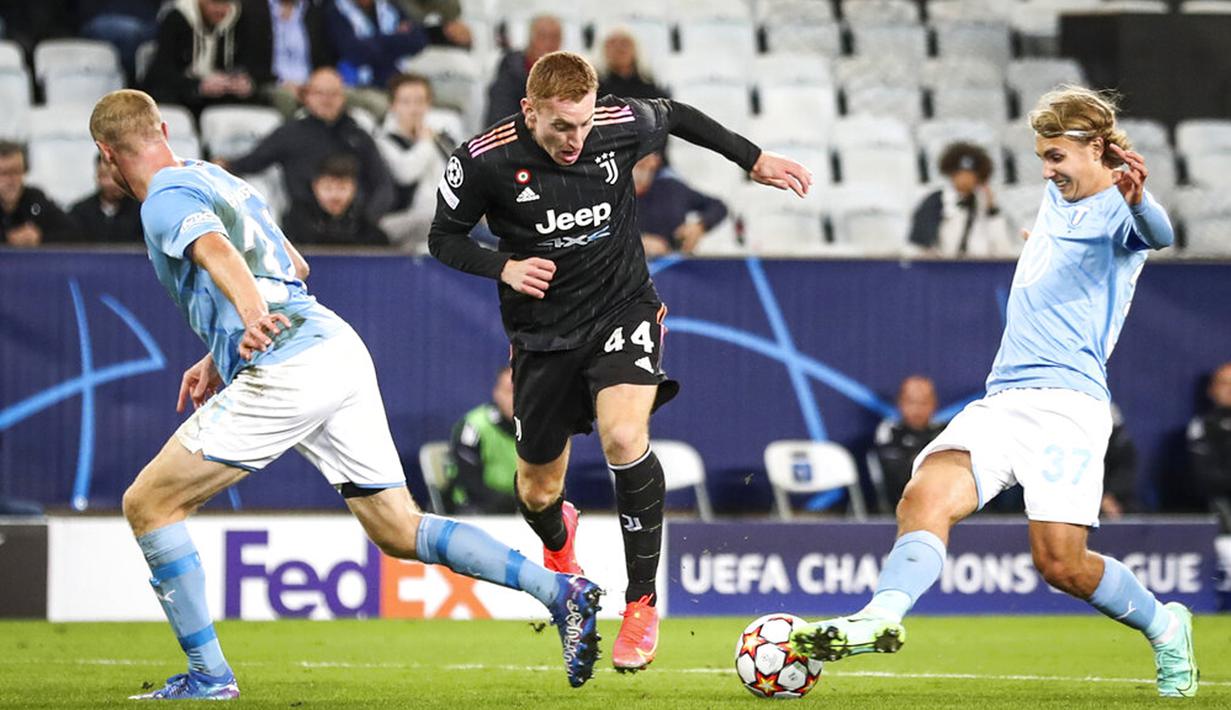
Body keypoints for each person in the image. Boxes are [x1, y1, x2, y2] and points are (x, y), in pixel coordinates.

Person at [88, 88, 603, 699]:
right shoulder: (213, 178)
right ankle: (561, 591)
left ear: (105, 153)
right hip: (336, 347)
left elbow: (217, 251)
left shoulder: (164, 199)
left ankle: (209, 676)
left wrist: (249, 318)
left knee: (148, 505)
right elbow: (295, 267)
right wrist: (219, 351)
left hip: (289, 365)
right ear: (164, 127)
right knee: (397, 528)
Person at [790, 87, 1197, 699]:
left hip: (1068, 404)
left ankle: (1167, 629)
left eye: (1056, 155)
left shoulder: (1120, 206)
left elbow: (1158, 232)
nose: (1046, 168)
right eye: (1042, 155)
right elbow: (1064, 196)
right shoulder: (1058, 195)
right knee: (925, 492)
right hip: (1004, 399)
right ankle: (881, 615)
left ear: (1096, 150)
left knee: (1062, 564)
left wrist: (1138, 202)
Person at [429, 50, 811, 672]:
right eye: (559, 126)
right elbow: (441, 237)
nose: (574, 139)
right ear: (530, 111)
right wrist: (502, 264)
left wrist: (754, 158)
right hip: (543, 337)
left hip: (622, 308)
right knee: (537, 492)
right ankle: (562, 544)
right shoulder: (482, 159)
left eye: (582, 124)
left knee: (625, 435)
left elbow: (680, 115)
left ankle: (641, 604)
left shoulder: (616, 124)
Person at [223, 67, 395, 224]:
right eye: (320, 93)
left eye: (333, 93)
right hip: (304, 223)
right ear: (306, 97)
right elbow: (254, 161)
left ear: (343, 97)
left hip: (355, 223)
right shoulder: (290, 133)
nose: (327, 100)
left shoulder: (358, 135)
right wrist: (224, 165)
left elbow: (382, 183)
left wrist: (368, 218)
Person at [374, 73, 454, 252]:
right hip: (403, 218)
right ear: (393, 105)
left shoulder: (440, 140)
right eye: (406, 102)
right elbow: (405, 173)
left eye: (420, 101)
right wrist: (425, 141)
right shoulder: (384, 141)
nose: (414, 109)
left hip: (440, 216)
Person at [143, 0, 266, 116]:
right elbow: (160, 73)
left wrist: (246, 82)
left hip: (221, 98)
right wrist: (199, 86)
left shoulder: (239, 18)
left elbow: (254, 65)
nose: (220, 9)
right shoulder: (176, 18)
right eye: (214, 2)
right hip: (182, 96)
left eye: (226, 2)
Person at [908, 142, 1016, 258]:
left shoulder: (985, 204)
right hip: (944, 266)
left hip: (980, 266)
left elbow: (1003, 251)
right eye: (960, 173)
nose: (965, 179)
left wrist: (992, 211)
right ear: (951, 174)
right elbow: (920, 244)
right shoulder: (936, 201)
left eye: (971, 174)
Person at [325, 0, 428, 119]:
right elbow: (356, 53)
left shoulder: (389, 5)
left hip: (395, 81)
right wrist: (397, 39)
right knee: (392, 109)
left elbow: (419, 41)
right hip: (358, 86)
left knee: (422, 103)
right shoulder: (335, 10)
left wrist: (373, 41)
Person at [238, 0, 336, 118]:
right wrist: (280, 81)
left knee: (348, 97)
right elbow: (249, 60)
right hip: (271, 83)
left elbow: (325, 58)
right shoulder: (252, 9)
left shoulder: (313, 11)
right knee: (287, 98)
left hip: (311, 84)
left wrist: (316, 84)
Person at [443, 366, 518, 514]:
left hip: (523, 507)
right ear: (496, 393)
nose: (516, 399)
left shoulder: (539, 429)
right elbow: (467, 479)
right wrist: (508, 502)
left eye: (523, 392)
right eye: (510, 392)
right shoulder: (474, 426)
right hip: (476, 506)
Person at [633, 151, 727, 257]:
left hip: (672, 266)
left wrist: (700, 226)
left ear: (656, 160)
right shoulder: (614, 194)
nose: (641, 162)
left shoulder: (672, 189)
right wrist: (637, 243)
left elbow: (718, 206)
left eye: (646, 156)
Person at [281, 153, 389, 245]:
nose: (335, 196)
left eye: (342, 188)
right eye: (328, 188)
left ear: (354, 188)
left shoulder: (364, 226)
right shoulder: (297, 220)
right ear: (315, 186)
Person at [872, 376, 944, 510]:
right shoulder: (889, 432)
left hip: (943, 505)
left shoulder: (946, 433)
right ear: (899, 402)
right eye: (911, 402)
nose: (917, 409)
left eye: (924, 402)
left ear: (934, 403)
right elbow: (895, 476)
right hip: (898, 508)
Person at [483, 14, 561, 128]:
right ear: (531, 40)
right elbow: (499, 123)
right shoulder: (509, 78)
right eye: (543, 37)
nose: (550, 44)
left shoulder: (566, 76)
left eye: (555, 38)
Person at [0, 141, 77, 246]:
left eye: (17, 171)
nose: (12, 180)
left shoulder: (35, 198)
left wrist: (41, 237)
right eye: (4, 173)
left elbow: (72, 232)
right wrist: (7, 238)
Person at [1188, 361, 1231, 533]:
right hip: (1219, 508)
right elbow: (1204, 477)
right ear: (1211, 390)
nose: (1230, 389)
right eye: (1225, 383)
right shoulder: (1202, 426)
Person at [69, 155, 144, 243]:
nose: (113, 183)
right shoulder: (80, 212)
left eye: (117, 176)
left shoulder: (141, 211)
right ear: (97, 177)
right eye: (106, 176)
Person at [596, 28, 668, 101]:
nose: (619, 48)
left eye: (624, 43)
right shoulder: (594, 91)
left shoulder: (652, 90)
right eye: (612, 43)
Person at [1101, 403, 1139, 520]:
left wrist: (1110, 495)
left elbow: (1126, 467)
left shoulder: (1105, 406)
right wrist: (1101, 499)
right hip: (1084, 497)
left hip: (1116, 496)